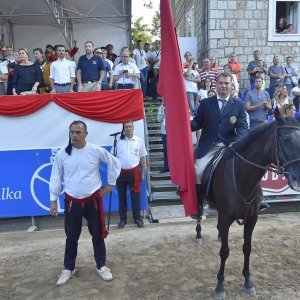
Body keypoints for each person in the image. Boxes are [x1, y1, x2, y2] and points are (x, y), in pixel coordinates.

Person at [49, 120, 121, 286]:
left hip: (92, 200)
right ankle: (68, 268)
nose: (74, 135)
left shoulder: (95, 150)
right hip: (72, 201)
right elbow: (55, 177)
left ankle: (101, 265)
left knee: (98, 235)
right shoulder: (62, 154)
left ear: (86, 134)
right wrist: (53, 199)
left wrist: (110, 183)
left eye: (78, 132)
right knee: (71, 236)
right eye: (72, 132)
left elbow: (113, 162)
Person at [191, 72, 248, 214]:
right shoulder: (205, 103)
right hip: (208, 146)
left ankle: (254, 200)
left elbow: (242, 127)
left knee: (249, 167)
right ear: (216, 84)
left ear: (231, 85)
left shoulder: (239, 105)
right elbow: (198, 122)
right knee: (197, 172)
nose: (223, 86)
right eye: (221, 83)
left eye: (226, 83)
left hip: (230, 145)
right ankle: (199, 203)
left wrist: (236, 142)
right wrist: (188, 124)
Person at [114, 121, 147, 229]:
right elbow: (112, 157)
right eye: (126, 127)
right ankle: (122, 219)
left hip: (134, 173)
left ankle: (137, 218)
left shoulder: (139, 141)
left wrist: (142, 173)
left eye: (130, 126)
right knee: (121, 197)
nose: (128, 129)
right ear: (123, 129)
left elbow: (142, 158)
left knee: (135, 197)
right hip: (120, 173)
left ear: (133, 128)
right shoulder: (118, 141)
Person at [157, 100, 169, 173]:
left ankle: (173, 166)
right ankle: (166, 166)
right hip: (164, 131)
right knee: (165, 150)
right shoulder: (160, 108)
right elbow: (159, 119)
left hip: (172, 131)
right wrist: (162, 110)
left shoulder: (172, 107)